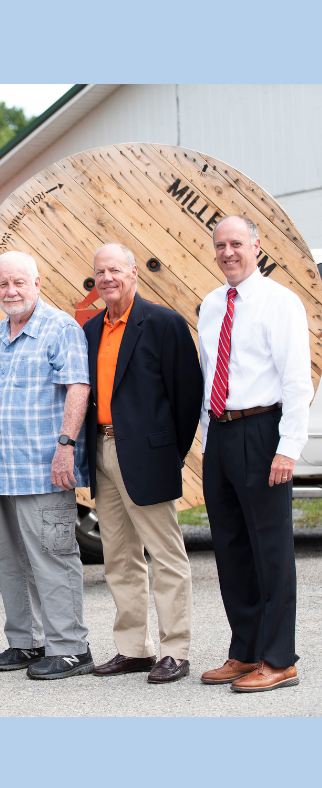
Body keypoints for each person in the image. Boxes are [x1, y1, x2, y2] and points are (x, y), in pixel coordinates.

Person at [198, 215, 313, 692]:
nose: (228, 252)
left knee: (270, 551)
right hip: (222, 435)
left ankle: (279, 657)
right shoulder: (210, 303)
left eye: (237, 244)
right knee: (230, 548)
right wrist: (208, 436)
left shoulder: (279, 302)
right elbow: (209, 374)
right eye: (221, 244)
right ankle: (244, 651)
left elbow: (296, 382)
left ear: (256, 246)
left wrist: (288, 449)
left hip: (263, 431)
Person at [83, 243, 202, 683]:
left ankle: (176, 650)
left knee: (166, 555)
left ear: (134, 273)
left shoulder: (164, 323)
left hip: (148, 454)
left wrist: (166, 451)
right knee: (118, 557)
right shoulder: (92, 328)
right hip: (102, 450)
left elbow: (187, 396)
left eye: (115, 269)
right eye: (100, 272)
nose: (107, 278)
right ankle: (133, 648)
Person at [0, 251, 94, 680]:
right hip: (6, 470)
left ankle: (70, 647)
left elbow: (78, 389)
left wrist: (66, 447)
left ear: (37, 283)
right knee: (12, 562)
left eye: (18, 283)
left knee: (53, 556)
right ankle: (27, 642)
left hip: (44, 467)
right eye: (3, 284)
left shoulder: (59, 327)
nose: (10, 291)